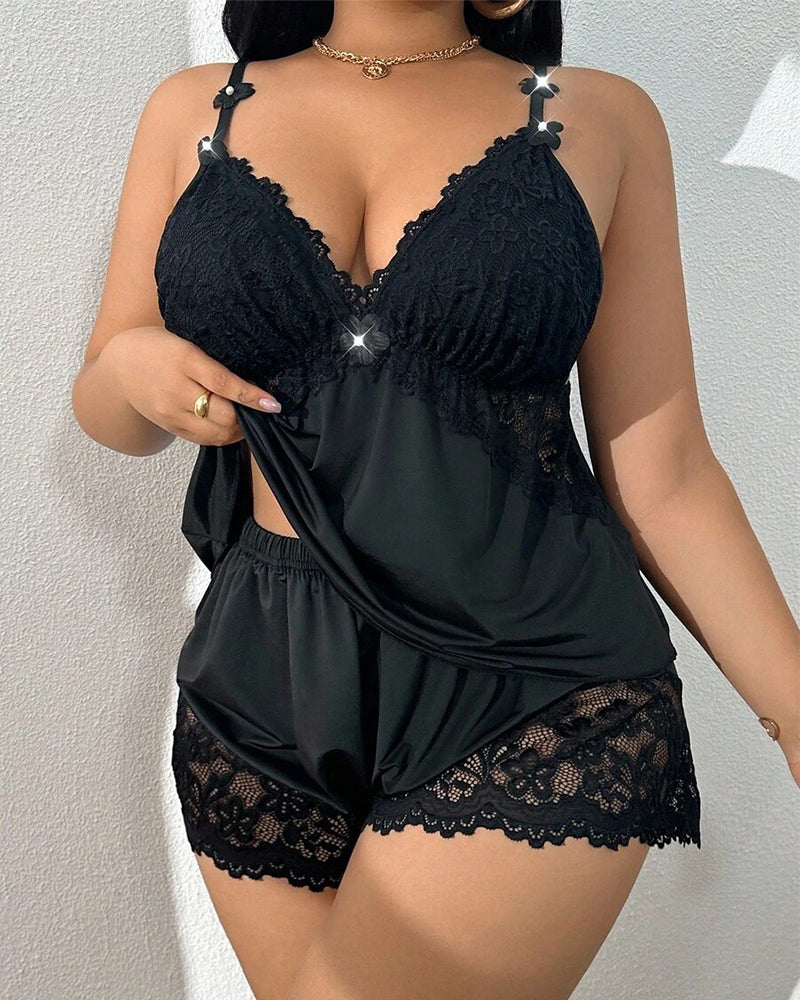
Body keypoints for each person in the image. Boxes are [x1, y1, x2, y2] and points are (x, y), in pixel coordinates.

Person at [70, 2, 799, 998]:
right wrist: (130, 366)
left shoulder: (601, 121)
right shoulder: (194, 109)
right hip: (257, 690)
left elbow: (661, 470)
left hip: (533, 684)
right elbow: (109, 405)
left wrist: (790, 705)